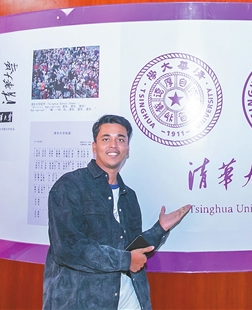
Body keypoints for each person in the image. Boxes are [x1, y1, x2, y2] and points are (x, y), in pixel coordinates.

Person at [43, 114, 191, 309]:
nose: (113, 145)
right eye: (106, 139)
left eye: (120, 139)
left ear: (127, 148)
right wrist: (125, 260)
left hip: (129, 299)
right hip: (83, 302)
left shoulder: (129, 196)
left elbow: (131, 248)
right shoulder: (69, 186)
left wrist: (159, 229)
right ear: (94, 146)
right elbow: (68, 249)